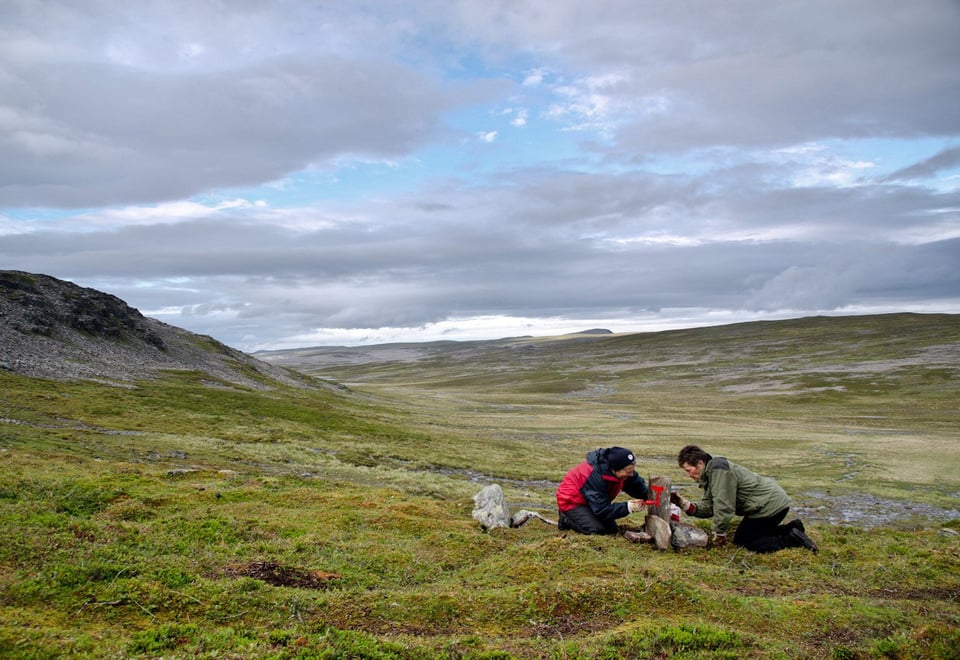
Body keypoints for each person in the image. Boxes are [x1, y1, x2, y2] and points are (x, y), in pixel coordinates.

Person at [671, 444, 818, 553]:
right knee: (751, 534)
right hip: (768, 505)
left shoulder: (718, 471)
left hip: (768, 507)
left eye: (688, 470)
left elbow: (724, 506)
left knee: (747, 542)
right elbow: (710, 507)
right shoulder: (712, 472)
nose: (688, 475)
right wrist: (685, 505)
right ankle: (793, 528)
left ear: (700, 463)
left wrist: (719, 532)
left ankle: (791, 539)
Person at [556, 446, 649, 535]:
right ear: (615, 469)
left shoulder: (622, 471)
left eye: (632, 471)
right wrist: (628, 507)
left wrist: (649, 496)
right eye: (628, 472)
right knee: (595, 529)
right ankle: (565, 518)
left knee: (611, 530)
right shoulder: (594, 475)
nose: (631, 474)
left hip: (592, 501)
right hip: (572, 501)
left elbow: (636, 486)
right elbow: (602, 510)